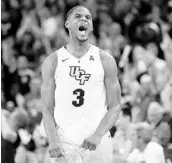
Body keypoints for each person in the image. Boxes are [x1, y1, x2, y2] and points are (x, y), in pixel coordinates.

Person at [41, 5, 121, 163]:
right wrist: (53, 140)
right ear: (67, 24)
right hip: (65, 139)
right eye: (78, 16)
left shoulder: (105, 60)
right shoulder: (52, 61)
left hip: (98, 139)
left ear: (90, 26)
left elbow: (115, 105)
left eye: (88, 17)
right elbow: (47, 108)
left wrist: (98, 135)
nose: (84, 19)